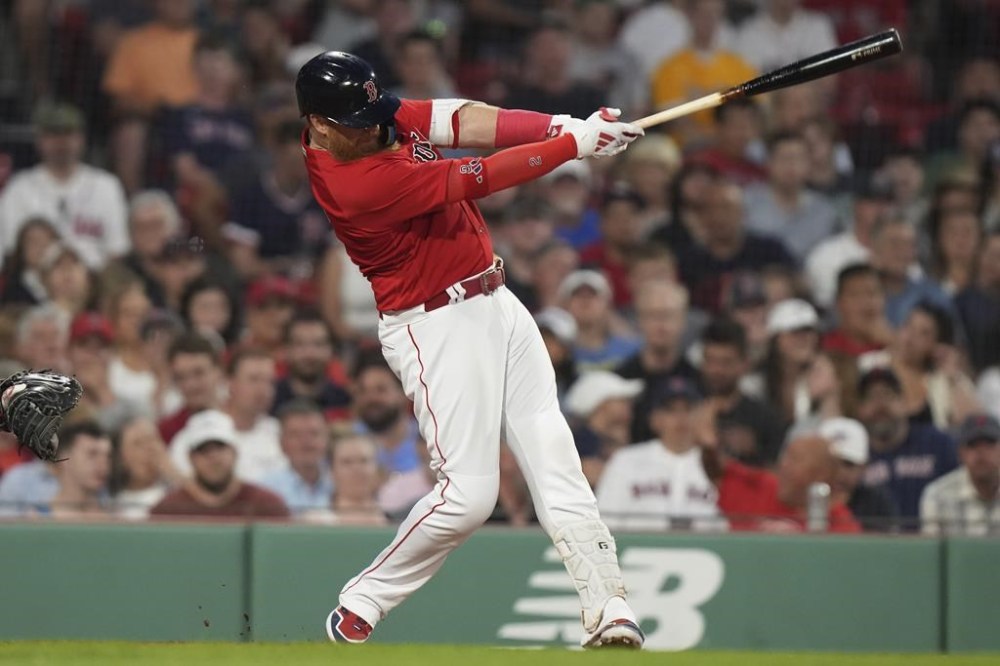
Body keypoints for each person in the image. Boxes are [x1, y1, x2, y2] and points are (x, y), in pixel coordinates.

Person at [298, 51, 645, 647]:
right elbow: (476, 176)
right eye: (357, 120)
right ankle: (363, 600)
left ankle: (607, 605)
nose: (374, 123)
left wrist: (562, 125)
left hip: (495, 298)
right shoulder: (352, 183)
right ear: (322, 126)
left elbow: (464, 120)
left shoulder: (367, 119)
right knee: (468, 496)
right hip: (434, 325)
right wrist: (574, 147)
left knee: (553, 451)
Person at [0, 103, 129, 270]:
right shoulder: (19, 188)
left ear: (81, 138)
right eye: (53, 134)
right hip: (34, 288)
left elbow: (118, 251)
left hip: (95, 286)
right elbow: (10, 251)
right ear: (40, 140)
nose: (61, 142)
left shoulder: (106, 186)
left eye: (68, 134)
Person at [596, 377, 724, 532]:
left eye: (688, 409)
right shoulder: (626, 460)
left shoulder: (715, 464)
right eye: (670, 410)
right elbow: (605, 522)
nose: (681, 418)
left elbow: (730, 525)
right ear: (654, 419)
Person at [855, 366, 959, 530]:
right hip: (877, 549)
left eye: (888, 395)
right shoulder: (854, 457)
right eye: (870, 397)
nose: (880, 405)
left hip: (931, 545)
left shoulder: (937, 443)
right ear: (859, 409)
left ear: (904, 402)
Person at [677, 178, 796, 313]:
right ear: (701, 217)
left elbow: (796, 290)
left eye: (726, 208)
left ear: (743, 213)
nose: (719, 216)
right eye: (711, 209)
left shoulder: (771, 251)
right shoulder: (687, 261)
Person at [650, 0, 755, 146]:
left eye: (715, 14)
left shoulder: (739, 66)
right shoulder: (669, 68)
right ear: (690, 16)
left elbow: (752, 115)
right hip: (686, 151)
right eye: (703, 14)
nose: (709, 20)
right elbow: (673, 121)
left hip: (733, 150)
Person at [151, 410, 289, 519]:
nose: (214, 458)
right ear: (191, 458)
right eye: (204, 450)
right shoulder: (169, 510)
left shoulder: (266, 505)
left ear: (235, 452)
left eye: (220, 447)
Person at [170, 351, 284, 483]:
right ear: (229, 383)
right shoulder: (197, 432)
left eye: (269, 381)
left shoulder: (279, 432)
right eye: (254, 380)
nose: (263, 389)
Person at [716, 432, 861, 533]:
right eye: (785, 457)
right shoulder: (760, 486)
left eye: (795, 459)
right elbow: (715, 470)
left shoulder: (841, 523)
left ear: (821, 475)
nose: (783, 465)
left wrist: (798, 542)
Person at [617, 281, 699, 443]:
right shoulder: (619, 381)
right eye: (653, 316)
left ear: (683, 321)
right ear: (639, 320)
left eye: (668, 316)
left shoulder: (699, 380)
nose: (661, 325)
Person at [874, 303, 980, 429]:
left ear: (937, 344)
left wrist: (953, 378)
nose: (910, 337)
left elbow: (977, 426)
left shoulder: (942, 379)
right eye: (908, 325)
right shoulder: (871, 364)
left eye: (924, 333)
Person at [700, 318, 785, 468]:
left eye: (726, 362)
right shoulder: (684, 408)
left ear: (744, 364)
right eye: (710, 361)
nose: (717, 370)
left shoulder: (764, 417)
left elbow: (774, 473)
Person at [743, 132, 840, 262]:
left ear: (809, 164)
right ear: (768, 163)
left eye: (798, 159)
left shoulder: (824, 211)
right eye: (784, 158)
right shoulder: (746, 203)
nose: (791, 166)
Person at [750, 299, 839, 432]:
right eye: (794, 332)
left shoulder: (825, 374)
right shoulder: (754, 385)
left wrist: (829, 396)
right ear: (776, 339)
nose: (804, 339)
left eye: (809, 331)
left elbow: (833, 431)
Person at [805, 179, 893, 308]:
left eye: (886, 203)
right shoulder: (827, 255)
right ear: (856, 206)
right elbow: (830, 307)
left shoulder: (902, 257)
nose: (881, 211)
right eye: (873, 203)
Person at [920, 413, 1000, 536]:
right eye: (972, 445)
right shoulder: (937, 495)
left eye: (989, 444)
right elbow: (931, 553)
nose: (981, 452)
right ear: (960, 453)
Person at [67, 311, 145, 433]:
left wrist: (101, 393)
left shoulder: (132, 408)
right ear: (69, 352)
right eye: (84, 345)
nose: (92, 355)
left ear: (112, 354)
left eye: (101, 347)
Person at [868, 216, 953, 327]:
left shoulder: (933, 296)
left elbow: (954, 342)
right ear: (875, 249)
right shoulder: (855, 295)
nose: (903, 252)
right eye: (895, 244)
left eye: (909, 245)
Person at [565, 371, 644, 488]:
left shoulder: (624, 438)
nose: (629, 407)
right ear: (600, 405)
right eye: (622, 401)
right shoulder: (580, 442)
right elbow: (590, 474)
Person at [819, 416, 898, 533]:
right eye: (830, 463)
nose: (838, 472)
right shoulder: (797, 498)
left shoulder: (877, 503)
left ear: (864, 467)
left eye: (848, 464)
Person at [272, 310, 351, 421]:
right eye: (300, 344)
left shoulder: (344, 401)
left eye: (318, 344)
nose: (309, 353)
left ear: (331, 350)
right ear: (286, 350)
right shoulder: (270, 399)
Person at [351, 353, 422, 476]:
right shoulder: (347, 440)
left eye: (381, 390)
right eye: (363, 391)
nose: (371, 398)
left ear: (404, 393)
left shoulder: (428, 440)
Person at [260, 400, 334, 516]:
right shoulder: (265, 489)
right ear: (281, 443)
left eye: (314, 433)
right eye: (296, 435)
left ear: (327, 439)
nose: (306, 442)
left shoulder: (344, 483)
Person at [579, 185, 646, 309]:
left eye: (632, 215)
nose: (625, 223)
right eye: (616, 216)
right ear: (601, 223)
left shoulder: (652, 258)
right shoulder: (588, 260)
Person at [560, 270, 641, 372]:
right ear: (565, 305)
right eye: (577, 295)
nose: (585, 300)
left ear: (607, 304)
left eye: (592, 294)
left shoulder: (631, 350)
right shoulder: (557, 353)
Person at [735, 0, 837, 74]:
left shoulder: (818, 26)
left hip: (812, 102)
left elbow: (829, 80)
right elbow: (746, 86)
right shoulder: (747, 33)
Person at [158, 333, 224, 443]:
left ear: (218, 372)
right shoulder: (167, 432)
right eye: (181, 377)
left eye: (198, 373)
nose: (190, 385)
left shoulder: (242, 421)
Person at [690, 99, 767, 185]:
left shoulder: (759, 172)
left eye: (750, 126)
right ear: (718, 127)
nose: (745, 134)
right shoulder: (698, 167)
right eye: (737, 126)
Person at [111, 416, 173, 520]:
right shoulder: (110, 505)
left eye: (153, 439)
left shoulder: (180, 492)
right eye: (138, 443)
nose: (149, 448)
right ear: (120, 458)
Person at [47, 421, 113, 519]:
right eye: (92, 454)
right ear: (64, 458)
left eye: (108, 456)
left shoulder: (116, 518)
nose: (103, 464)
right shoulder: (35, 519)